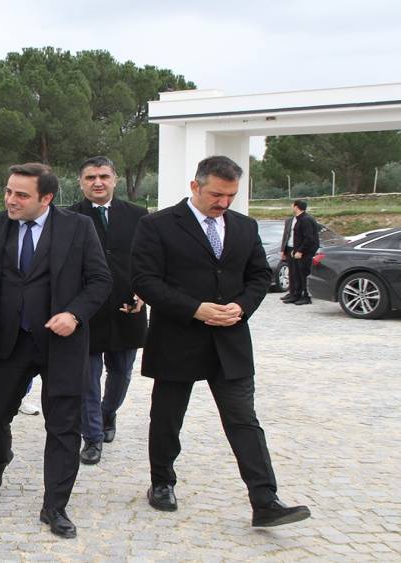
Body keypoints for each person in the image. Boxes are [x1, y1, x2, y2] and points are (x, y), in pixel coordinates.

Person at [131, 155, 311, 528]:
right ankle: (162, 482)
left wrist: (241, 306)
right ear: (195, 186)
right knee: (167, 418)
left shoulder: (245, 226)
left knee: (244, 420)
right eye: (216, 194)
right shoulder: (156, 225)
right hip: (177, 337)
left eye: (231, 195)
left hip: (230, 340)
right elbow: (145, 280)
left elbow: (259, 276)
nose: (224, 202)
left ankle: (265, 500)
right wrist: (195, 309)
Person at [0, 162, 112, 539]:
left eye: (21, 195)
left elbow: (100, 280)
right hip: (5, 342)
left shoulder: (78, 227)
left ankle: (55, 506)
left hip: (61, 344)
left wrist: (75, 314)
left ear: (46, 198)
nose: (10, 200)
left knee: (64, 426)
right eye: (8, 191)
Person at [67, 156, 148, 465]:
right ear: (81, 182)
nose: (97, 182)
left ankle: (108, 412)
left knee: (122, 373)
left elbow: (150, 260)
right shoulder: (68, 217)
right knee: (88, 378)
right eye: (90, 177)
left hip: (128, 307)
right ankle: (92, 436)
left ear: (115, 179)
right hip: (86, 310)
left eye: (103, 176)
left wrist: (143, 293)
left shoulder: (138, 215)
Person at [281, 199, 320, 305]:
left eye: (292, 205)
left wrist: (300, 251)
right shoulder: (299, 219)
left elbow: (309, 238)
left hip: (306, 253)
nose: (291, 207)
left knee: (304, 274)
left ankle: (306, 297)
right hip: (297, 251)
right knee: (296, 274)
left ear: (296, 207)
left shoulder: (306, 219)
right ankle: (296, 295)